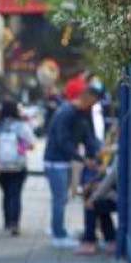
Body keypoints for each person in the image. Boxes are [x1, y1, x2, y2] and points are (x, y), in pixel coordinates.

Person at [43, 84, 101, 248]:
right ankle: (58, 235)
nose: (92, 106)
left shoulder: (80, 113)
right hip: (55, 161)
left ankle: (58, 228)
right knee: (59, 198)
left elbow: (88, 135)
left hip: (62, 161)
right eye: (92, 102)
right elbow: (63, 141)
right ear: (85, 97)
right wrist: (82, 159)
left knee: (61, 198)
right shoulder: (67, 113)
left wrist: (93, 153)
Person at [0, 99, 35, 236]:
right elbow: (31, 144)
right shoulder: (21, 126)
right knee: (15, 194)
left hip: (1, 166)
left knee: (6, 194)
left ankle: (7, 221)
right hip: (18, 165)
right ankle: (14, 223)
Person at [77, 154, 118, 255]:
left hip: (122, 199)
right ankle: (111, 239)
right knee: (98, 202)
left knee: (92, 205)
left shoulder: (120, 159)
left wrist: (91, 199)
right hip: (121, 197)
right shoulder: (122, 156)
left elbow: (107, 183)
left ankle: (90, 242)